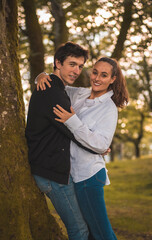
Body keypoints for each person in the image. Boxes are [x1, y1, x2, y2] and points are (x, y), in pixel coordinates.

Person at [36, 56, 129, 239]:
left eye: (104, 75)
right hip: (72, 174)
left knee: (101, 233)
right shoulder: (80, 94)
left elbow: (101, 144)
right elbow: (55, 85)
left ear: (112, 79)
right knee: (90, 234)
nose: (96, 78)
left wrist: (72, 121)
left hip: (89, 176)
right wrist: (41, 75)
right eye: (95, 72)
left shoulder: (109, 109)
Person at [25, 41, 102, 240]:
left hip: (56, 171)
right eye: (72, 64)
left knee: (86, 226)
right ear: (58, 63)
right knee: (80, 230)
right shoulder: (52, 91)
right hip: (52, 175)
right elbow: (73, 131)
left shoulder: (57, 88)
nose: (76, 70)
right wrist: (99, 147)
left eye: (80, 66)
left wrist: (41, 75)